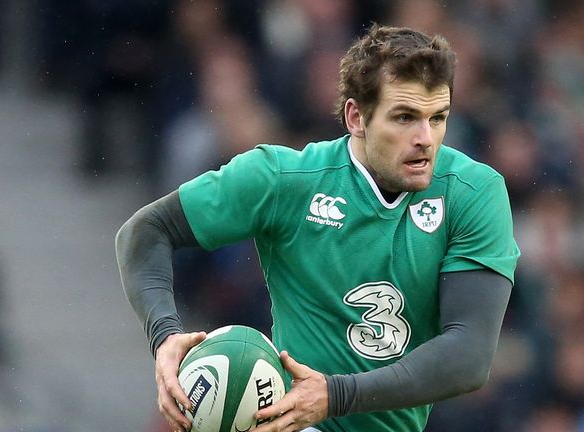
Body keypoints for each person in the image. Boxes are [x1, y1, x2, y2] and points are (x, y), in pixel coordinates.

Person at [116, 24, 520, 432]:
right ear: (356, 117)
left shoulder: (473, 192)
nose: (425, 138)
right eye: (404, 117)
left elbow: (470, 356)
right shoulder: (284, 178)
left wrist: (335, 395)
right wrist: (165, 336)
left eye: (438, 118)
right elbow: (146, 231)